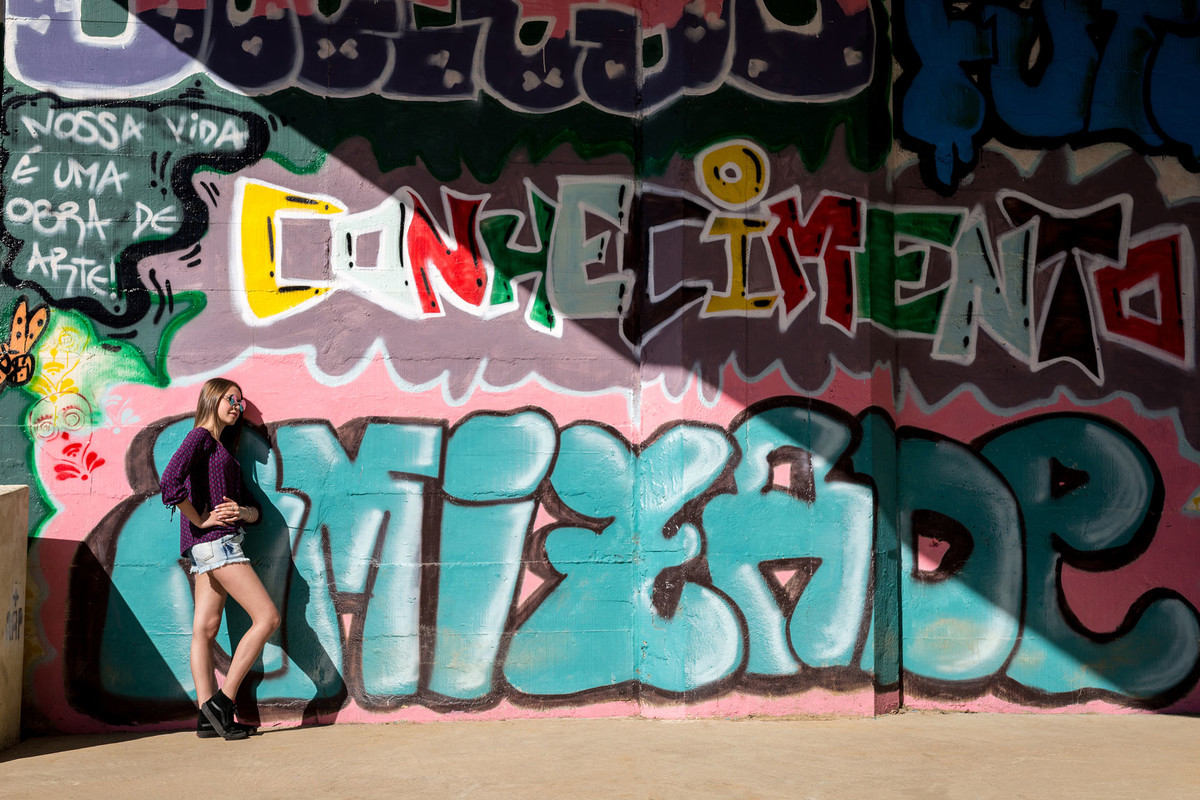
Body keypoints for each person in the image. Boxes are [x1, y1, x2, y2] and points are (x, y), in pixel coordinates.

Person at [160, 377, 280, 740]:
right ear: (212, 398)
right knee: (267, 618)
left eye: (241, 403)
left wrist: (242, 513)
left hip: (210, 547)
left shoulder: (223, 451)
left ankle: (205, 717)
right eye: (232, 399)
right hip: (216, 545)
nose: (236, 407)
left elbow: (257, 511)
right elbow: (169, 482)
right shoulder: (199, 438)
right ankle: (222, 703)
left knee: (205, 630)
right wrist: (199, 519)